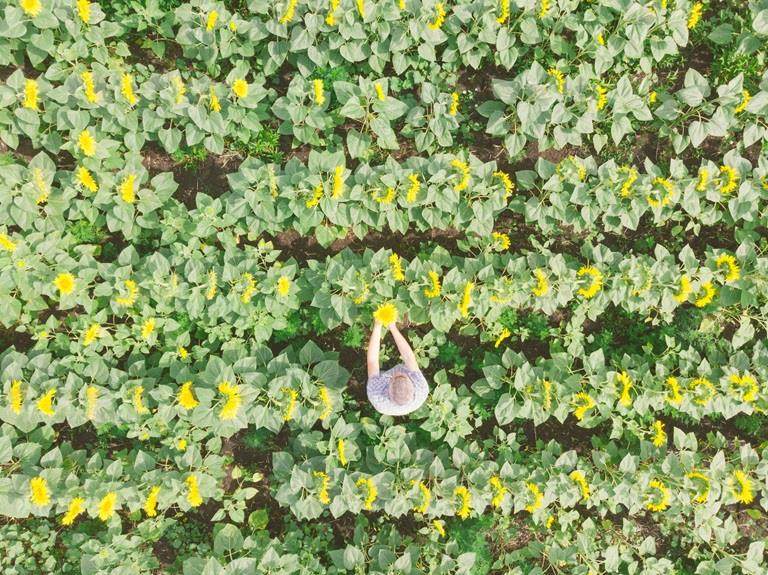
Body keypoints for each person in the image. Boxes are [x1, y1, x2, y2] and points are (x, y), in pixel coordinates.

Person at [366, 319, 429, 416]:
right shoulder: (421, 387)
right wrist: (393, 327)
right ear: (412, 384)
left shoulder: (376, 394)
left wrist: (377, 325)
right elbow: (408, 357)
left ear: (388, 386)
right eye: (403, 376)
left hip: (382, 390)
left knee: (374, 372)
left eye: (395, 376)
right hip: (410, 393)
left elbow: (372, 361)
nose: (398, 372)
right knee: (410, 363)